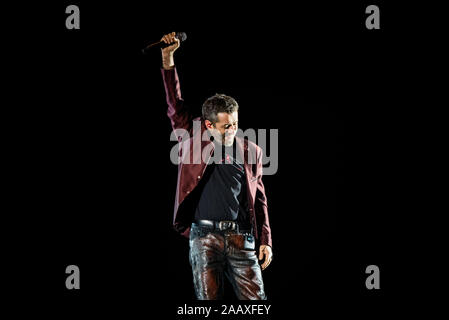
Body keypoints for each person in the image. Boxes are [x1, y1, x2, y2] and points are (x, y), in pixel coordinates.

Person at [160, 32, 273, 300]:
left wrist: (266, 240)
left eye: (235, 122)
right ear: (209, 125)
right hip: (203, 237)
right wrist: (168, 58)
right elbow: (174, 104)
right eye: (227, 125)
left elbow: (260, 200)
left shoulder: (251, 150)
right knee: (208, 302)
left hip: (240, 238)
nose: (233, 129)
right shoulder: (191, 135)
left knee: (256, 304)